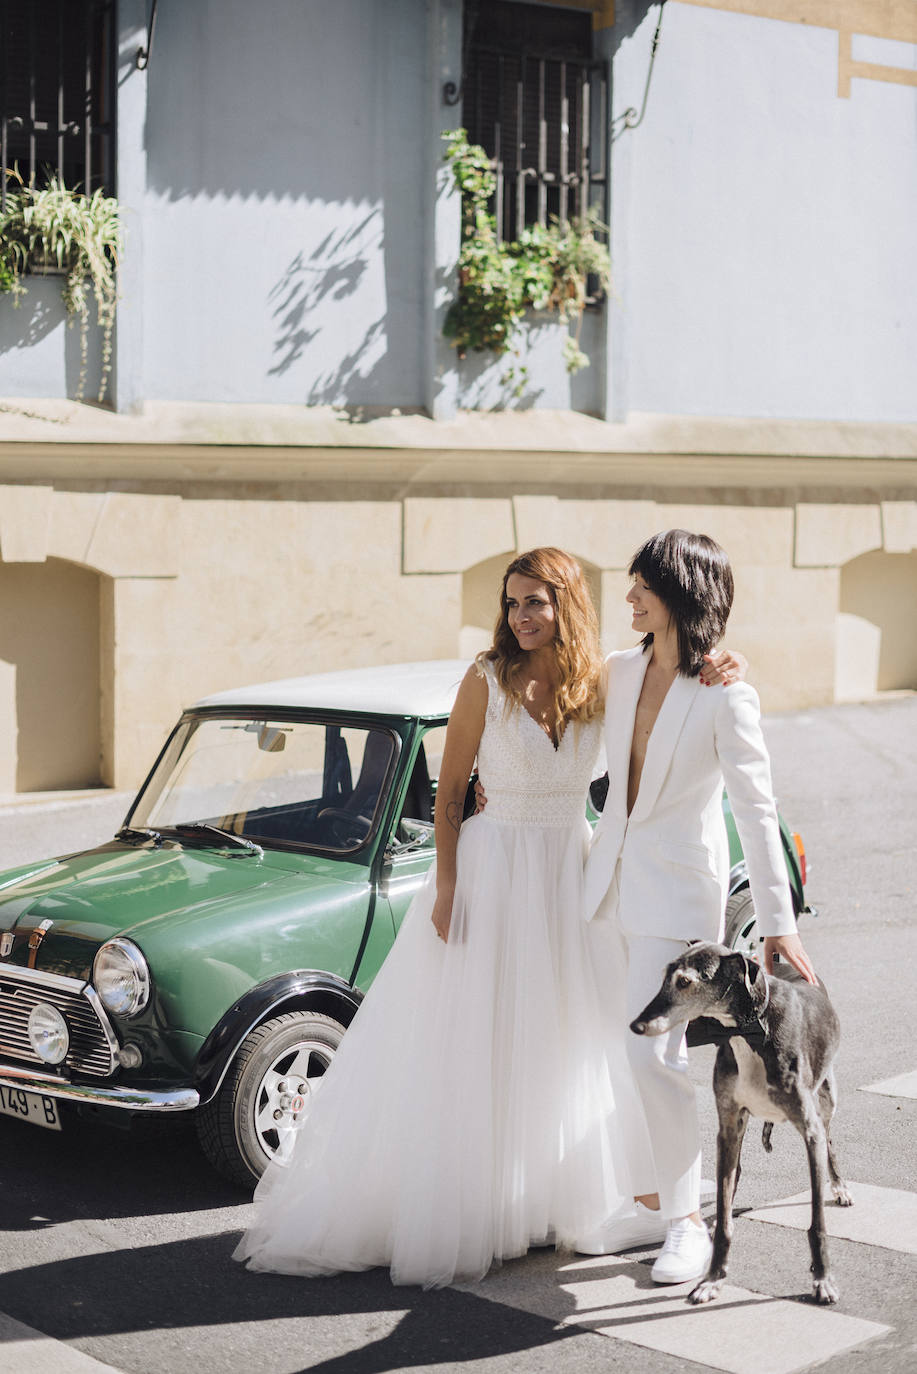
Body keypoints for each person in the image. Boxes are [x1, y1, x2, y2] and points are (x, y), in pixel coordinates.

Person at [235, 547, 657, 1287]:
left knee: (559, 1037)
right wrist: (446, 887)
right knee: (477, 1036)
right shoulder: (485, 679)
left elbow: (679, 659)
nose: (521, 617)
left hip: (568, 873)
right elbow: (450, 794)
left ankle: (539, 1200)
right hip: (492, 873)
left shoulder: (604, 682)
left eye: (536, 601)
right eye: (512, 602)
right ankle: (471, 1204)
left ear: (568, 603)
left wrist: (730, 663)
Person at [582, 529, 816, 1285]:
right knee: (616, 1056)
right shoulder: (618, 671)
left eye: (640, 587)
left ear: (679, 592)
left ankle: (688, 1221)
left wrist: (776, 922)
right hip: (604, 883)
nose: (627, 598)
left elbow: (756, 809)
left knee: (645, 1051)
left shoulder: (724, 693)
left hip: (679, 895)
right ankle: (654, 1200)